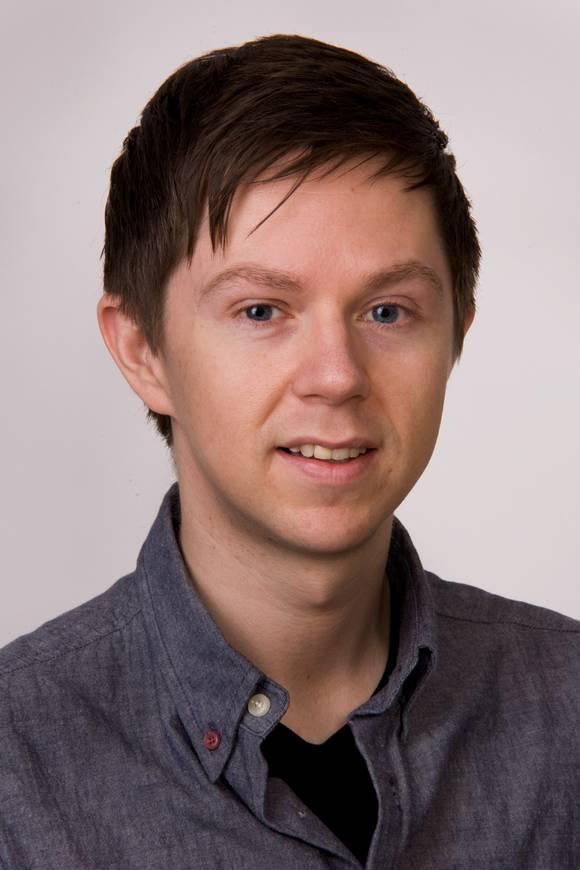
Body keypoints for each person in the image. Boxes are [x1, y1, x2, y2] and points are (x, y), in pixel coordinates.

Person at [0, 33, 578, 870]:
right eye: (262, 311)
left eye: (387, 311)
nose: (337, 376)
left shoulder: (567, 710)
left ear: (456, 334)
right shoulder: (17, 769)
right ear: (142, 351)